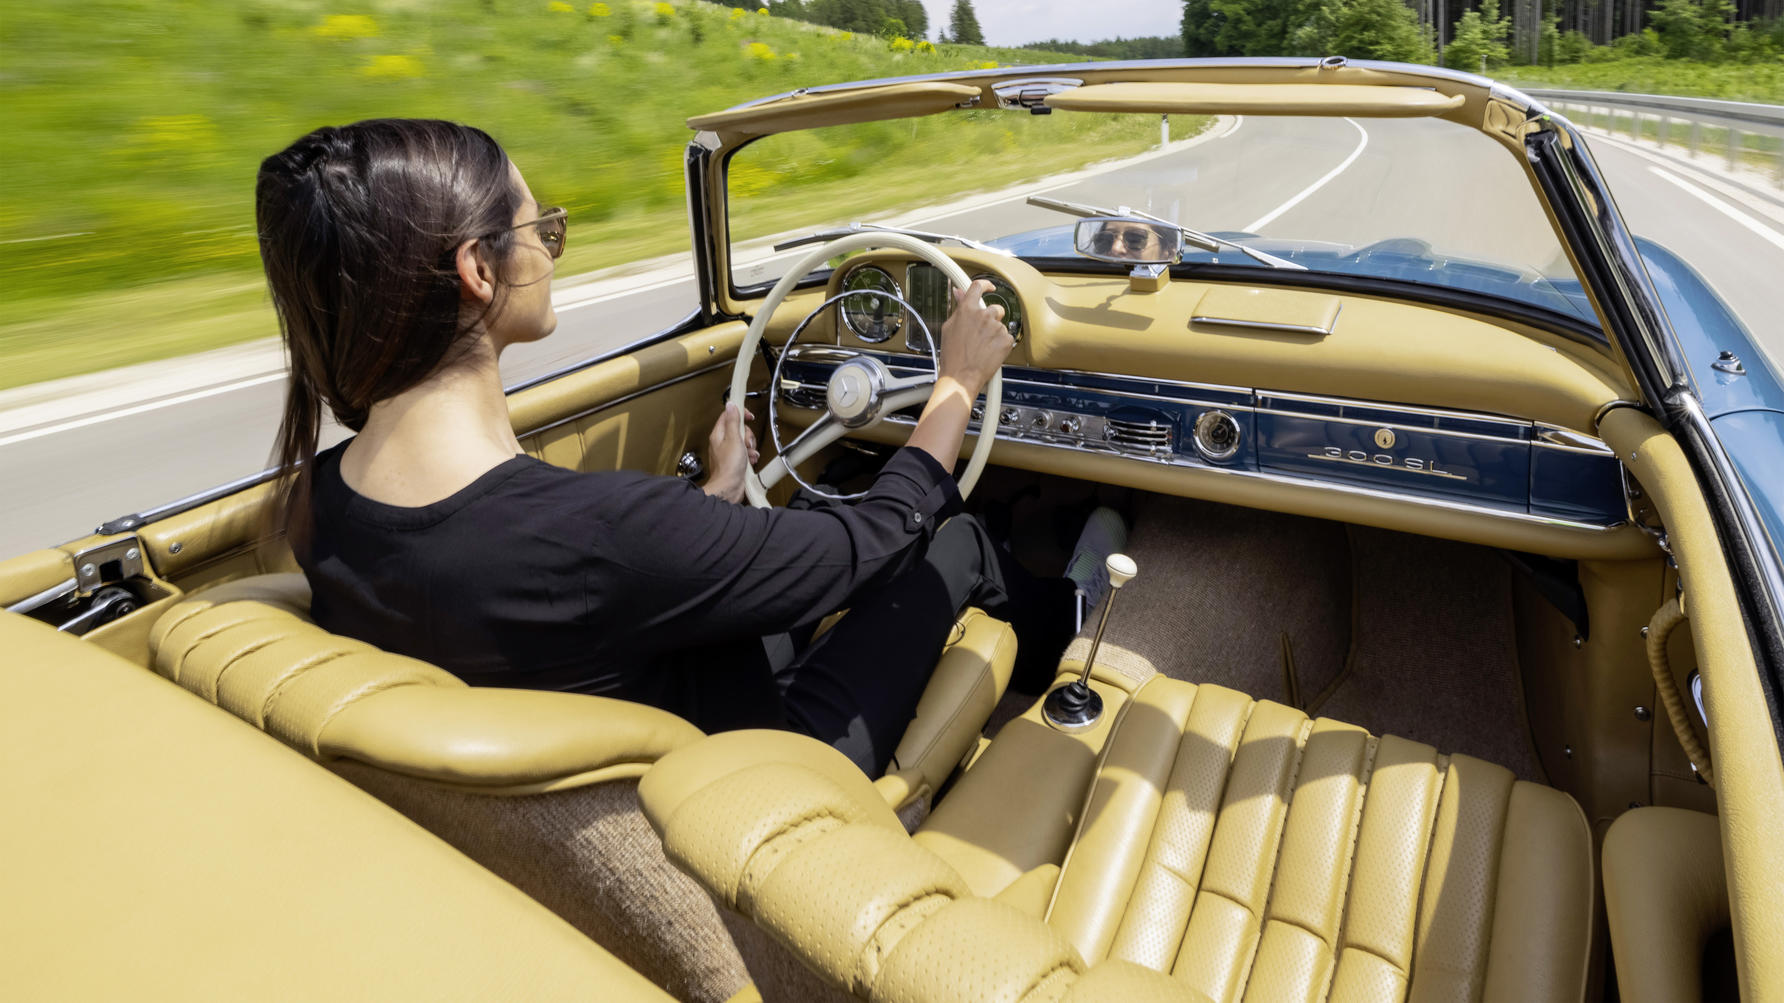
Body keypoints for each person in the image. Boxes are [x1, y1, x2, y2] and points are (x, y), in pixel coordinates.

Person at [254, 118, 1078, 776]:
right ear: (477, 269)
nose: (548, 246)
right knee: (953, 535)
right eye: (541, 226)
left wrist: (717, 497)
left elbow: (601, 593)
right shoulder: (597, 531)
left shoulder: (324, 500)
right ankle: (1077, 628)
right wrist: (959, 383)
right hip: (764, 768)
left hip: (649, 731)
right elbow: (867, 542)